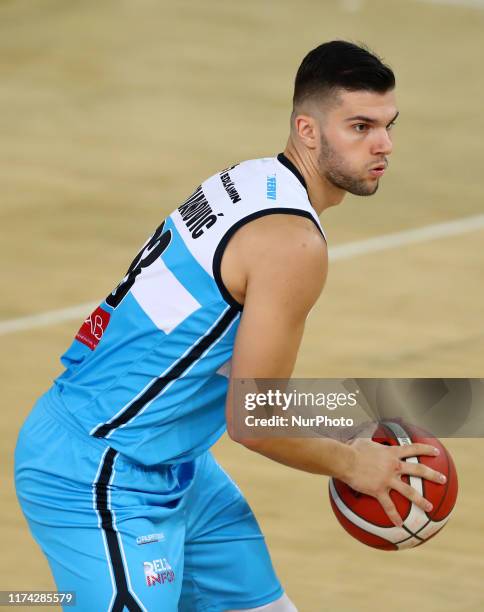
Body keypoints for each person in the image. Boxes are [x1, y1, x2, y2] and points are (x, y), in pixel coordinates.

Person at [15, 41, 446, 612]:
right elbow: (253, 420)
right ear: (308, 130)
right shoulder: (292, 243)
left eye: (389, 126)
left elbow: (228, 372)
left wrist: (352, 421)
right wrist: (353, 462)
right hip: (99, 474)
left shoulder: (252, 179)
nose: (384, 145)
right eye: (361, 126)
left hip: (177, 465)